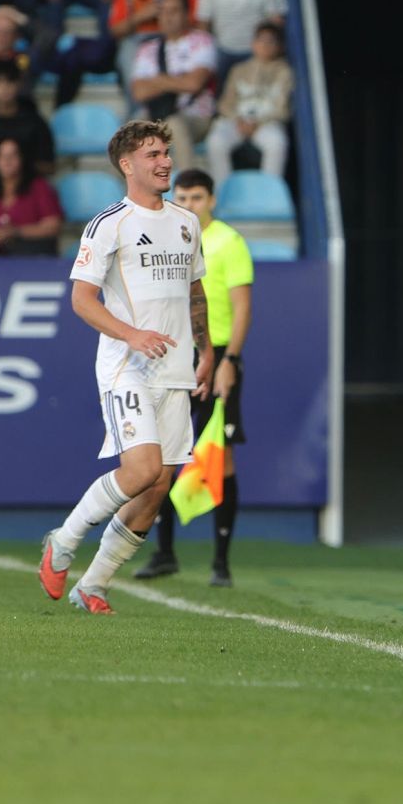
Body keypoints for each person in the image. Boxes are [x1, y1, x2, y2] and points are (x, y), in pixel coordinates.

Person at [37, 119, 213, 612]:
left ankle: (93, 585)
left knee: (159, 484)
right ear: (127, 164)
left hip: (176, 367)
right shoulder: (109, 223)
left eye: (165, 152)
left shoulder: (186, 222)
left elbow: (194, 288)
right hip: (126, 365)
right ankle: (64, 541)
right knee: (141, 469)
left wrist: (208, 347)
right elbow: (82, 299)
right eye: (153, 154)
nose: (165, 162)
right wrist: (132, 334)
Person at [133, 166, 252, 586]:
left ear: (212, 200)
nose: (187, 205)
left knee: (219, 456)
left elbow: (241, 306)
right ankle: (164, 551)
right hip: (175, 354)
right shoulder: (169, 239)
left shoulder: (228, 242)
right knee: (166, 454)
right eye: (181, 198)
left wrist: (229, 361)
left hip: (215, 355)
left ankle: (221, 561)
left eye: (196, 198)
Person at [129, 0, 217, 171]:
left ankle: (187, 191)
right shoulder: (148, 48)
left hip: (195, 116)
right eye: (163, 12)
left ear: (186, 15)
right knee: (129, 130)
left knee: (175, 125)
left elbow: (194, 85)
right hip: (155, 115)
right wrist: (178, 81)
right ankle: (132, 194)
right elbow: (139, 92)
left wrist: (156, 81)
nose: (168, 17)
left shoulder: (202, 41)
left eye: (174, 11)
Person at [204, 22, 292, 179]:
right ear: (253, 43)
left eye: (270, 41)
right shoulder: (239, 70)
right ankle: (224, 193)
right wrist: (239, 120)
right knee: (216, 141)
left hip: (266, 123)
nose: (265, 45)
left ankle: (270, 196)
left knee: (277, 143)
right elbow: (225, 103)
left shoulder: (284, 72)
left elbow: (283, 109)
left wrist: (258, 122)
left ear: (279, 46)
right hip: (237, 122)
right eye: (261, 40)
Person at [0, 134, 61, 254]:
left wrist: (15, 231)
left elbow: (53, 226)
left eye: (13, 155)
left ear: (22, 158)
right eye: (2, 156)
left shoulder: (39, 187)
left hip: (28, 255)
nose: (7, 161)